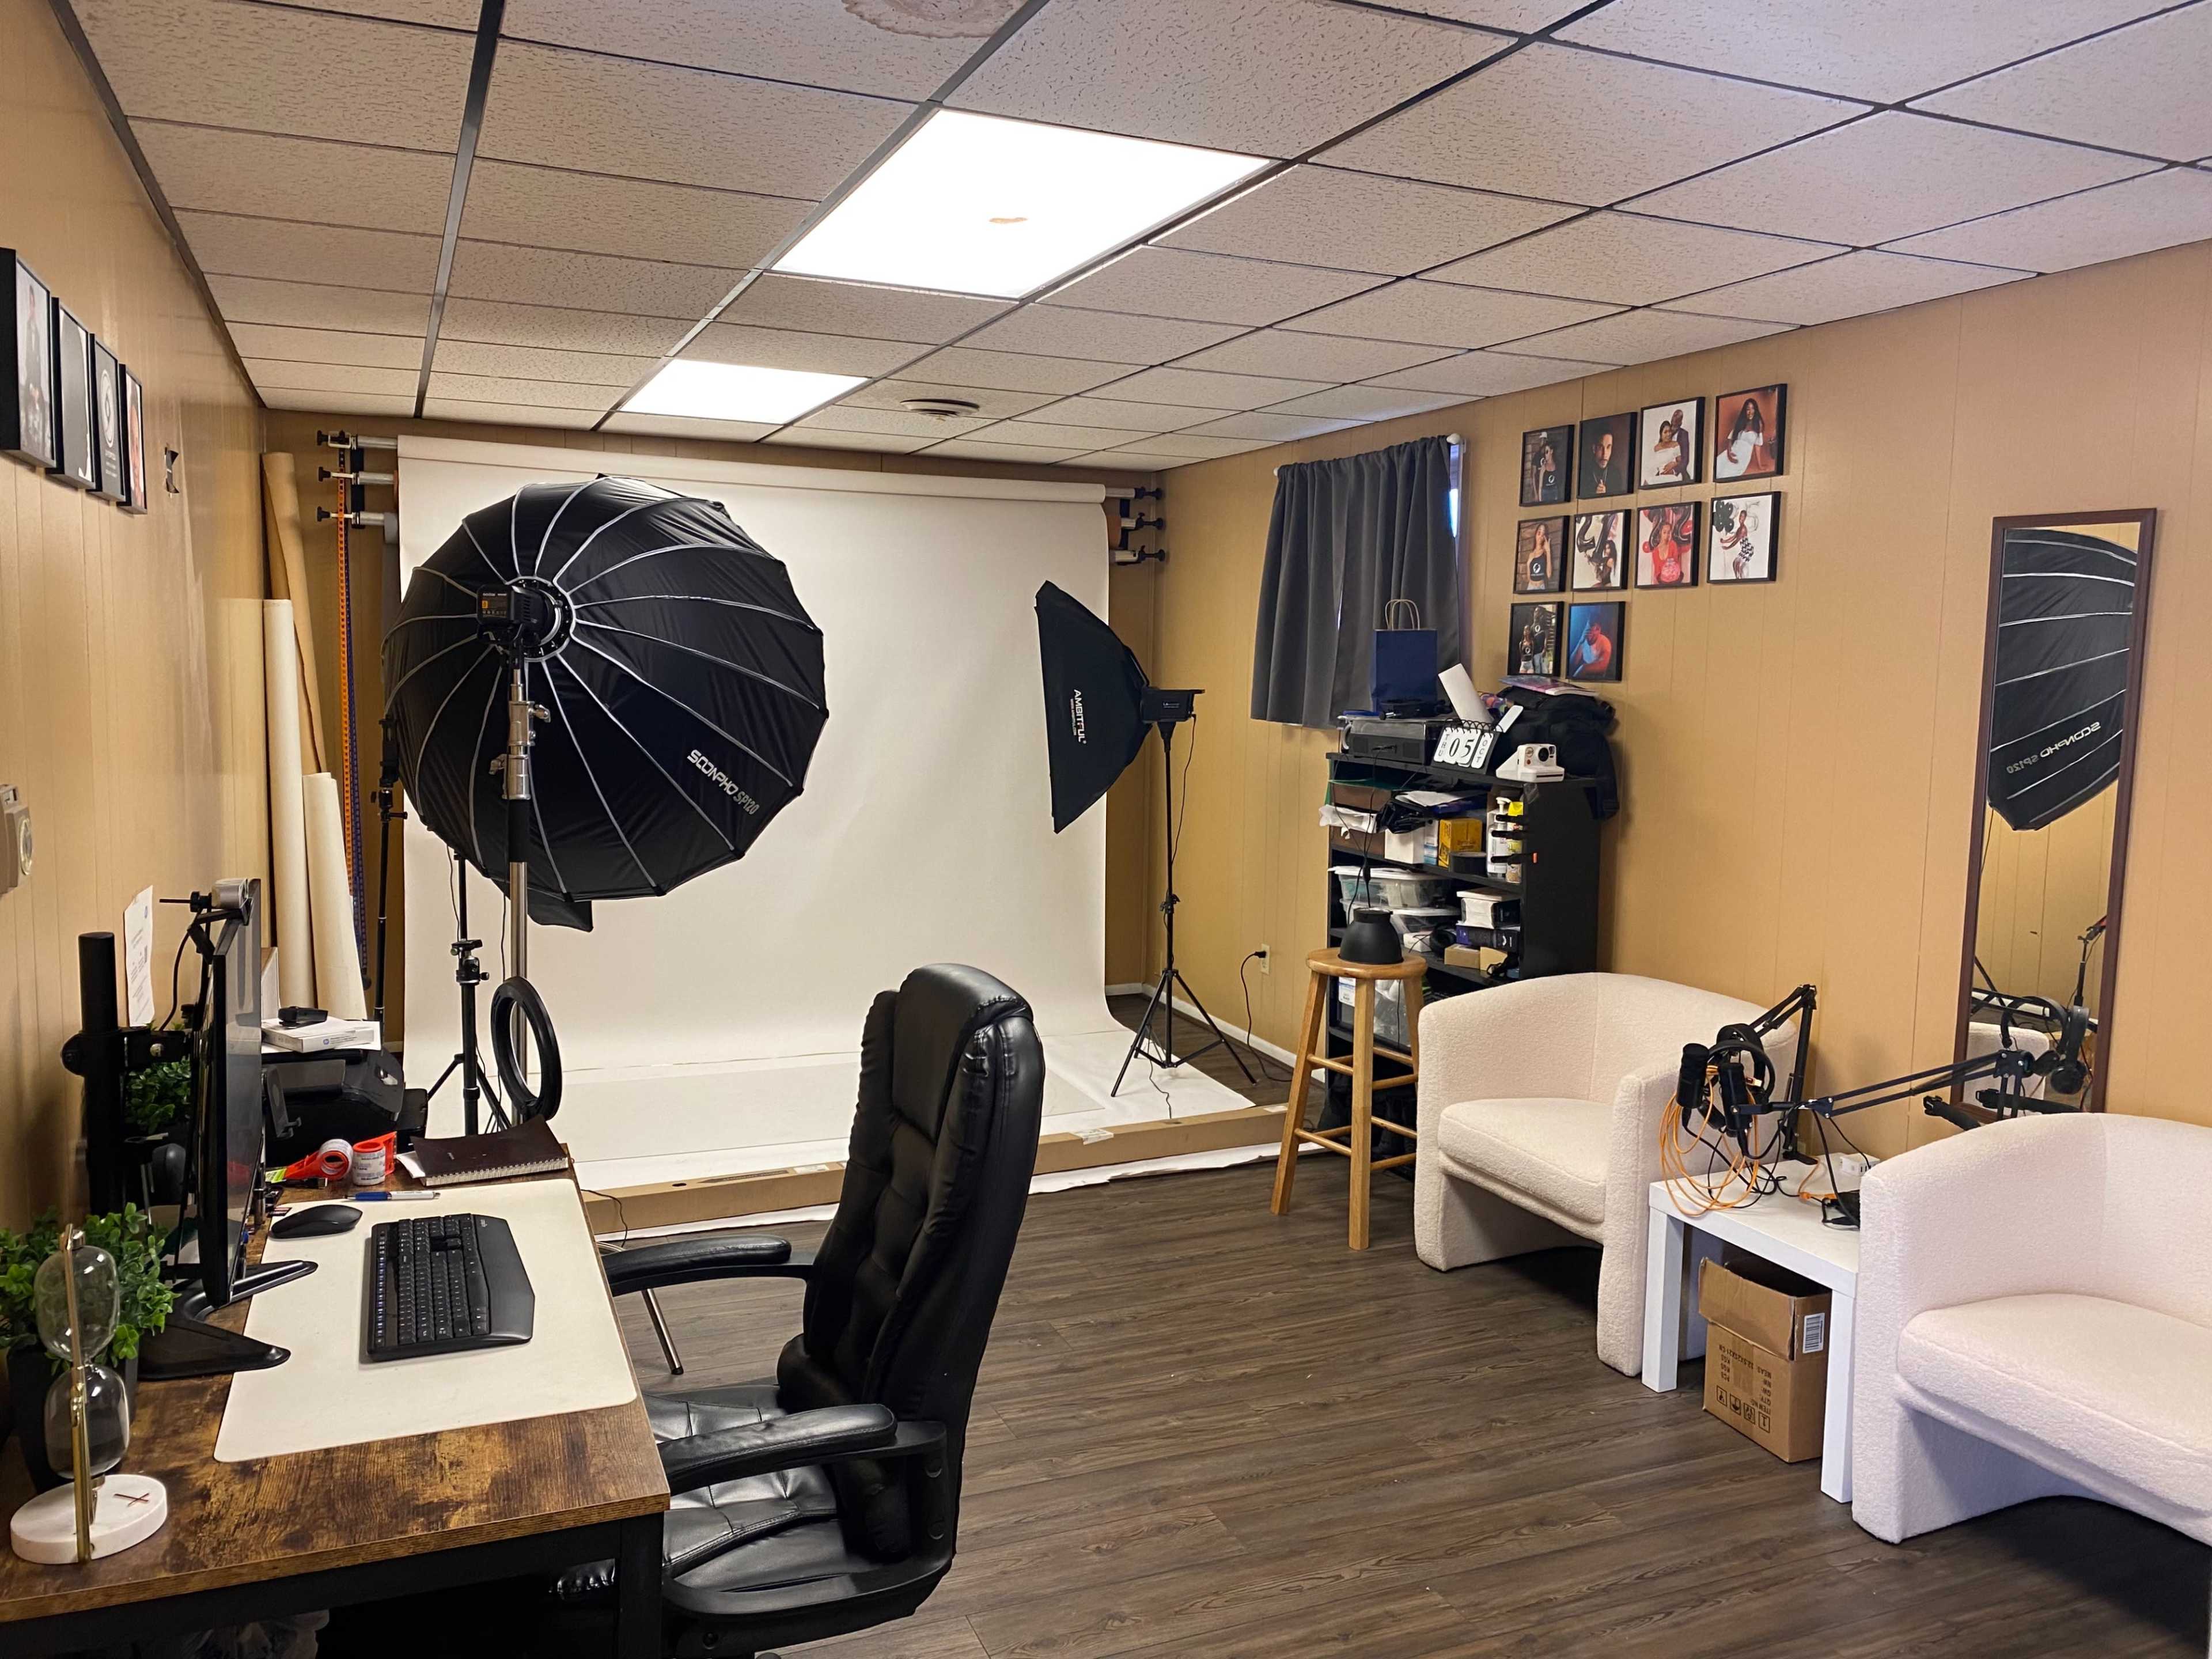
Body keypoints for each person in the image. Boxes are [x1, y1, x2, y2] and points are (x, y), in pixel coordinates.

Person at [1718, 396, 1768, 479]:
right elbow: (1731, 439)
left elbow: (1758, 446)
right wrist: (1729, 453)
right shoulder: (1741, 422)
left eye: (1753, 409)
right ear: (1745, 411)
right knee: (1716, 466)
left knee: (1724, 474)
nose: (1750, 412)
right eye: (1748, 409)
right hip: (1732, 452)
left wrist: (1760, 466)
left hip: (1742, 458)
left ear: (1756, 410)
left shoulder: (1758, 424)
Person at [1569, 612, 1613, 679]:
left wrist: (1584, 668)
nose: (1589, 638)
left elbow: (1603, 667)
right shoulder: (1584, 638)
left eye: (1592, 633)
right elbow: (1572, 664)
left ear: (1599, 630)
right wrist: (1580, 642)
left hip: (1598, 679)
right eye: (1588, 629)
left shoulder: (1605, 642)